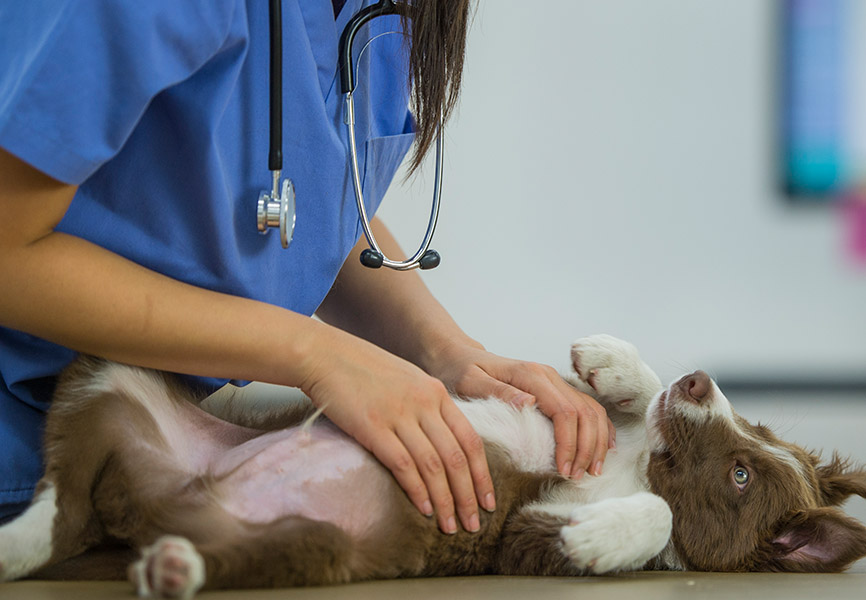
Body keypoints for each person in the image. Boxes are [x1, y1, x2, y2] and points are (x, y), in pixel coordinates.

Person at [0, 0, 612, 535]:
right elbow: (9, 251)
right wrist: (313, 354)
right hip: (27, 465)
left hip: (148, 468)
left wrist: (446, 350)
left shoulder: (380, 14)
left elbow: (297, 211)